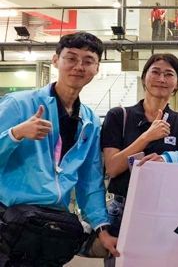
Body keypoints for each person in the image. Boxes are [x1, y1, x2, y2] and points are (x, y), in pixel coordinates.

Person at [0, 32, 119, 265]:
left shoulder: (90, 121)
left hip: (51, 226)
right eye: (71, 58)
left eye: (88, 61)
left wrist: (101, 228)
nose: (79, 66)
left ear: (97, 68)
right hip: (9, 219)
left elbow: (90, 181)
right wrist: (16, 134)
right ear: (55, 60)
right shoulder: (19, 104)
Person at [100, 53, 178, 263]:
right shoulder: (119, 116)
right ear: (144, 78)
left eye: (169, 74)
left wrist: (169, 159)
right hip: (124, 210)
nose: (161, 79)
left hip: (167, 212)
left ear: (177, 83)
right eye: (155, 72)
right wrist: (147, 136)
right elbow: (112, 167)